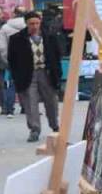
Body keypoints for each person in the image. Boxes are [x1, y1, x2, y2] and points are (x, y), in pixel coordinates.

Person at [8, 11, 62, 142]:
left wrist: (57, 73)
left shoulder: (50, 36)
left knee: (52, 101)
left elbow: (57, 55)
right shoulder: (16, 39)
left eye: (37, 23)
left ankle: (55, 125)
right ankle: (34, 129)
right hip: (28, 74)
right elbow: (12, 59)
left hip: (46, 72)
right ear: (26, 23)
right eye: (31, 23)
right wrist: (16, 76)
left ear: (40, 22)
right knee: (30, 102)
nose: (35, 26)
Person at [0, 6, 28, 117]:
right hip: (27, 60)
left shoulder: (5, 28)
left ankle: (9, 108)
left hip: (11, 60)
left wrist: (7, 60)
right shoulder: (29, 26)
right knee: (27, 84)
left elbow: (2, 47)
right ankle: (26, 107)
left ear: (14, 14)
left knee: (10, 84)